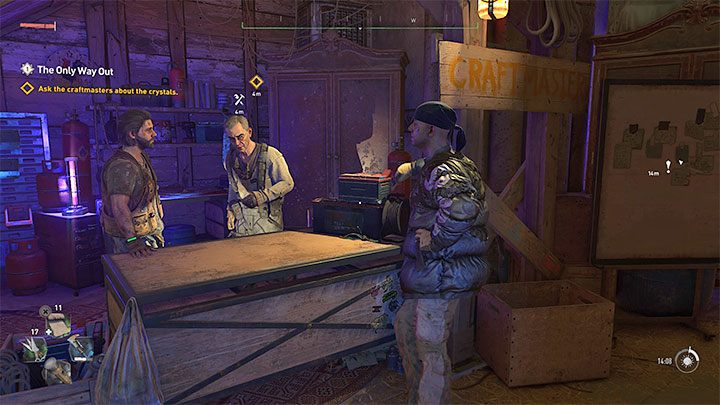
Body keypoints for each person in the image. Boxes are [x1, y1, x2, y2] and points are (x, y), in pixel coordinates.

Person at [393, 101, 490, 404]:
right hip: (432, 273)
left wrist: (433, 240)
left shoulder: (445, 170)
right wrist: (410, 168)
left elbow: (463, 208)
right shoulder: (444, 163)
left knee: (429, 346)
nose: (411, 128)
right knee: (405, 327)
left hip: (441, 272)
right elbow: (436, 169)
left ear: (432, 130)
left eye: (417, 124)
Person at [100, 109, 164, 257]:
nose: (154, 134)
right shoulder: (122, 166)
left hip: (148, 237)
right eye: (148, 130)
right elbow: (119, 206)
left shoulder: (141, 158)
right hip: (133, 245)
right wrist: (132, 241)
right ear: (133, 134)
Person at [225, 115, 294, 236]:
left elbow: (287, 183)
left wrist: (261, 196)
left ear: (249, 132)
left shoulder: (270, 155)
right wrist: (230, 209)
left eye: (240, 137)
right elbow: (233, 186)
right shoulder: (231, 159)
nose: (237, 143)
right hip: (242, 224)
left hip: (267, 224)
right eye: (232, 139)